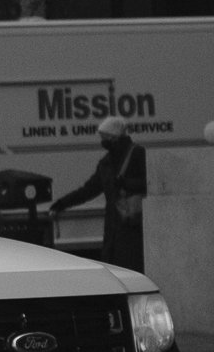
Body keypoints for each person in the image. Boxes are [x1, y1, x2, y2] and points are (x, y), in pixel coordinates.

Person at [52, 113, 147, 266]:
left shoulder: (134, 155)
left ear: (113, 136)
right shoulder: (107, 162)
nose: (102, 141)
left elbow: (149, 183)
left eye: (104, 136)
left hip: (131, 226)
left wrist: (125, 184)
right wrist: (61, 203)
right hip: (118, 228)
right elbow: (88, 190)